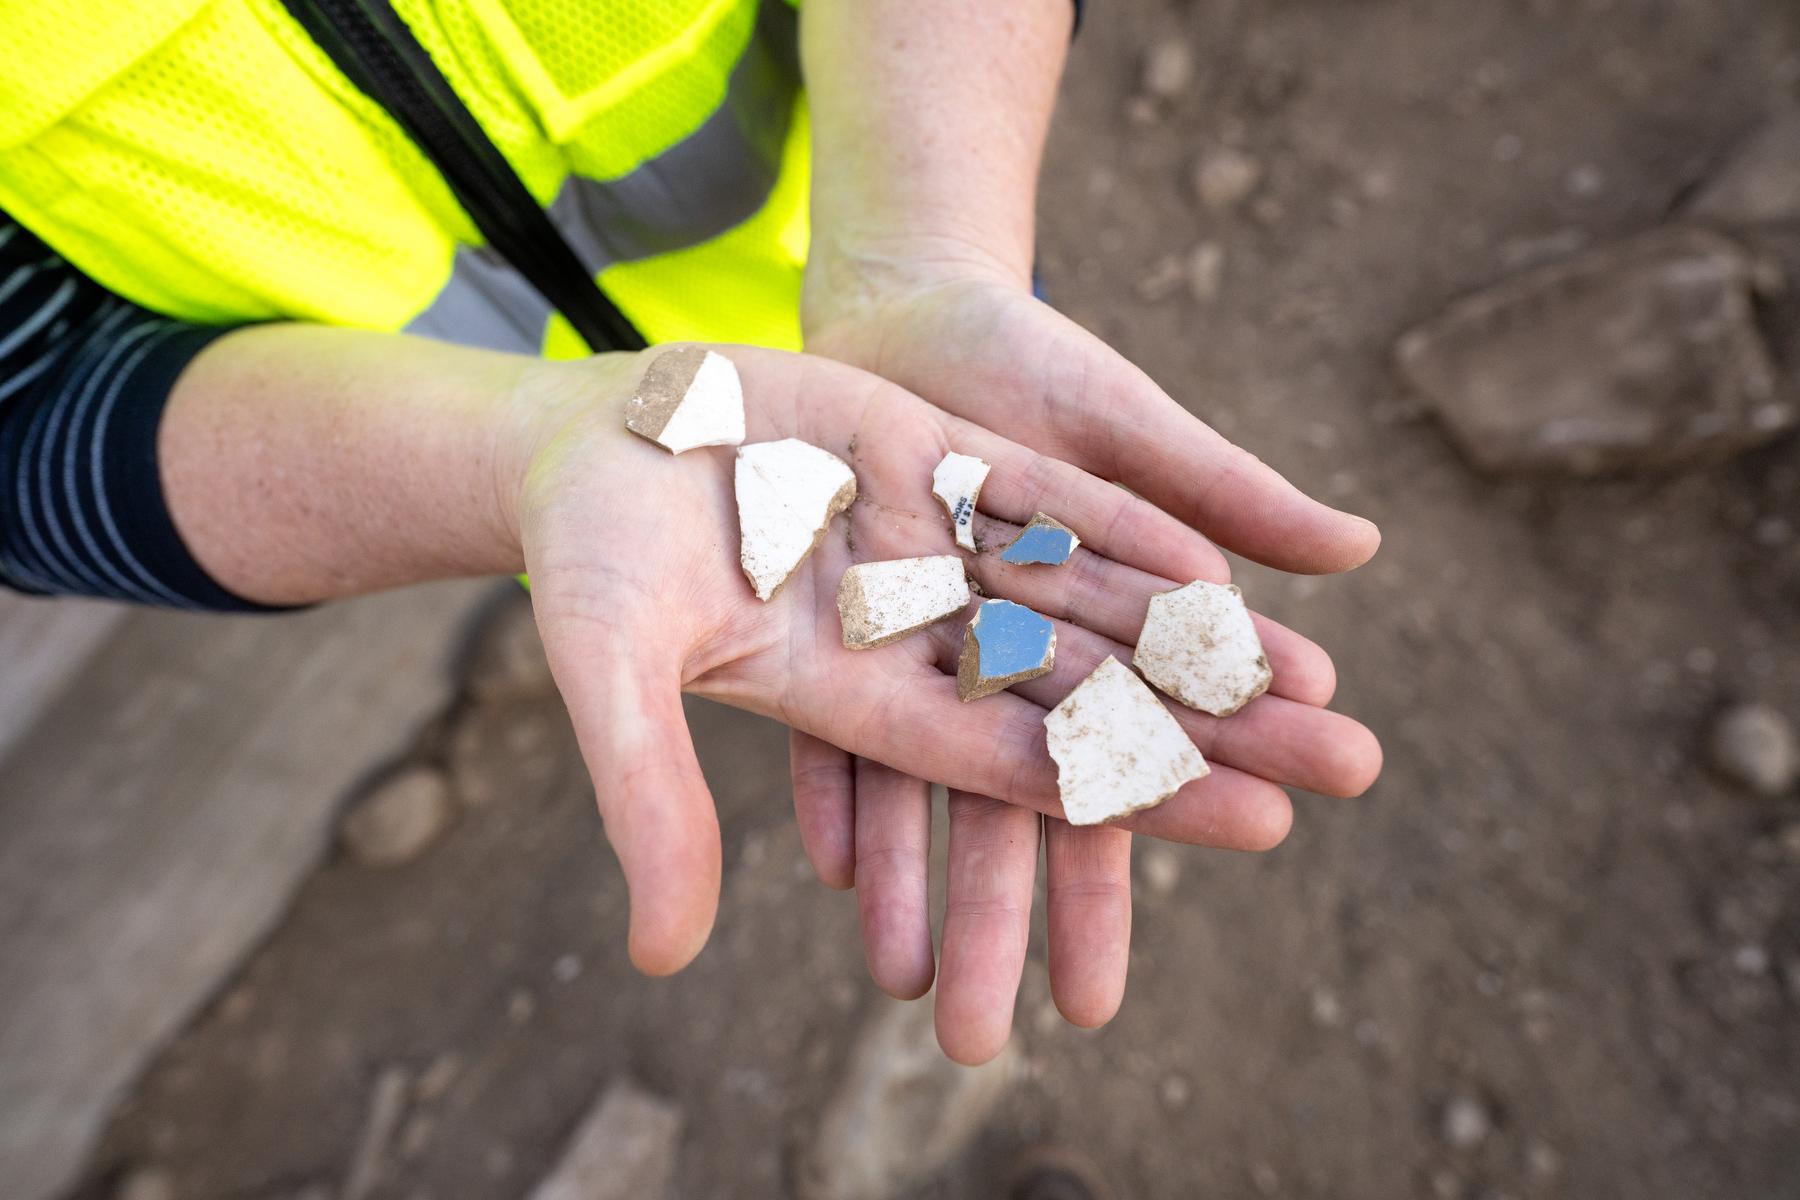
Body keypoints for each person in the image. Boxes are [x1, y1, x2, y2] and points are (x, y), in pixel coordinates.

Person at [0, 0, 1382, 1066]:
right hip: (508, 430)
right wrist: (507, 459)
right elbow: (24, 416)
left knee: (1007, 502)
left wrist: (930, 243)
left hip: (900, 252)